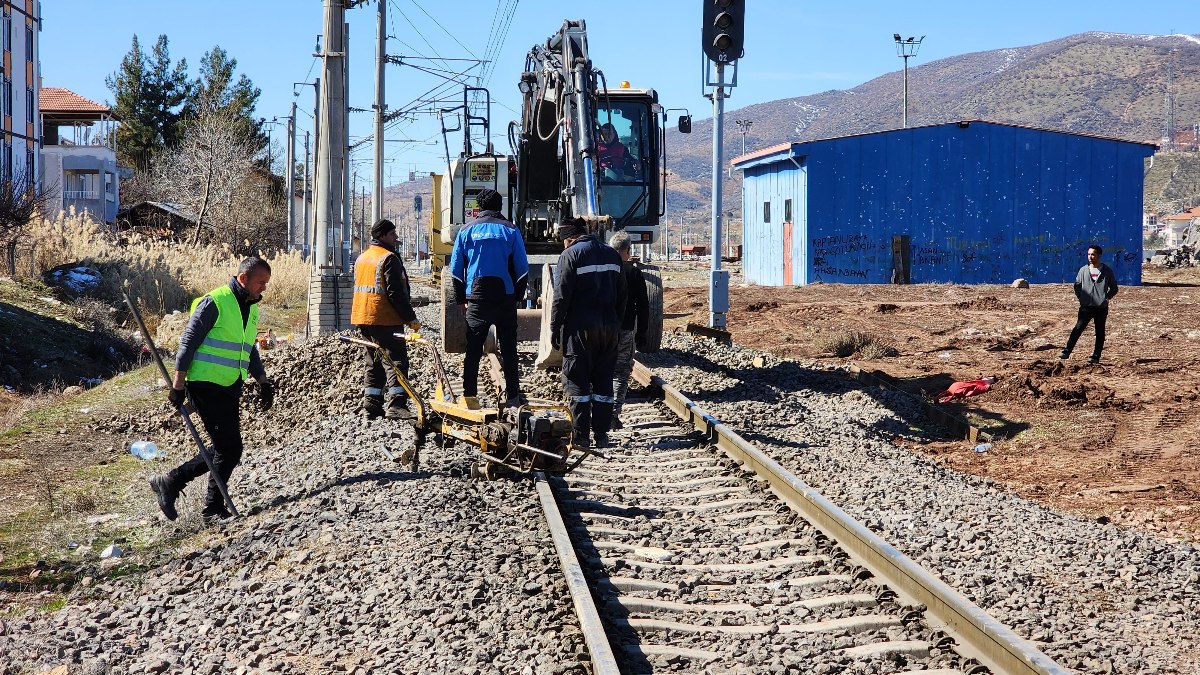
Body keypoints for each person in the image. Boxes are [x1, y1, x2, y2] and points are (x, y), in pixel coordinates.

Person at [149, 257, 275, 524]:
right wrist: (178, 385)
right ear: (243, 279)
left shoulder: (250, 307)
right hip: (205, 384)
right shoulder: (214, 302)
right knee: (229, 448)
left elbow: (248, 346)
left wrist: (262, 380)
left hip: (230, 383)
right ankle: (210, 507)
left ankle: (172, 482)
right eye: (260, 282)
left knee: (227, 448)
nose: (263, 288)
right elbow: (188, 344)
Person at [449, 188, 530, 407]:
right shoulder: (511, 230)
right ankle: (513, 397)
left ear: (478, 208)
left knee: (473, 349)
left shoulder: (466, 231)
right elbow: (522, 269)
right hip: (505, 298)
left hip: (477, 299)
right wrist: (518, 297)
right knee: (510, 350)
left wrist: (460, 299)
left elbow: (455, 270)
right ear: (500, 207)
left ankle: (469, 395)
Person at [551, 218, 626, 449]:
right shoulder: (612, 255)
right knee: (604, 380)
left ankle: (581, 436)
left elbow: (561, 296)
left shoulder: (571, 255)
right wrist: (616, 324)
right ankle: (602, 435)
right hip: (609, 328)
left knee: (577, 380)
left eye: (564, 241)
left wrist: (555, 327)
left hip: (580, 328)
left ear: (570, 238)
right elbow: (622, 294)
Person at [351, 218, 420, 420]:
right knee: (396, 360)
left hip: (364, 317)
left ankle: (372, 405)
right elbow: (395, 294)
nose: (396, 237)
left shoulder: (363, 258)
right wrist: (410, 318)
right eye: (392, 234)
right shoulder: (388, 258)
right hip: (385, 318)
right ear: (382, 236)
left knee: (373, 361)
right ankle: (397, 404)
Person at [608, 231, 649, 430]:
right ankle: (613, 415)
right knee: (620, 372)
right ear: (628, 250)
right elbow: (643, 306)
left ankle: (596, 412)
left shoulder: (603, 270)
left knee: (600, 371)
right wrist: (642, 333)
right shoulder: (634, 273)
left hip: (601, 331)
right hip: (624, 330)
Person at [1060, 244, 1118, 365]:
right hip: (1086, 307)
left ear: (1099, 255)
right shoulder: (1083, 270)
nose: (1090, 257)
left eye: (1093, 254)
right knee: (1078, 328)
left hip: (1101, 308)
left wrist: (1106, 298)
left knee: (1100, 331)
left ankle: (1096, 356)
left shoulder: (1107, 271)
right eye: (1089, 254)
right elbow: (1077, 285)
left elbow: (1114, 288)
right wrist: (1081, 297)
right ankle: (1067, 351)